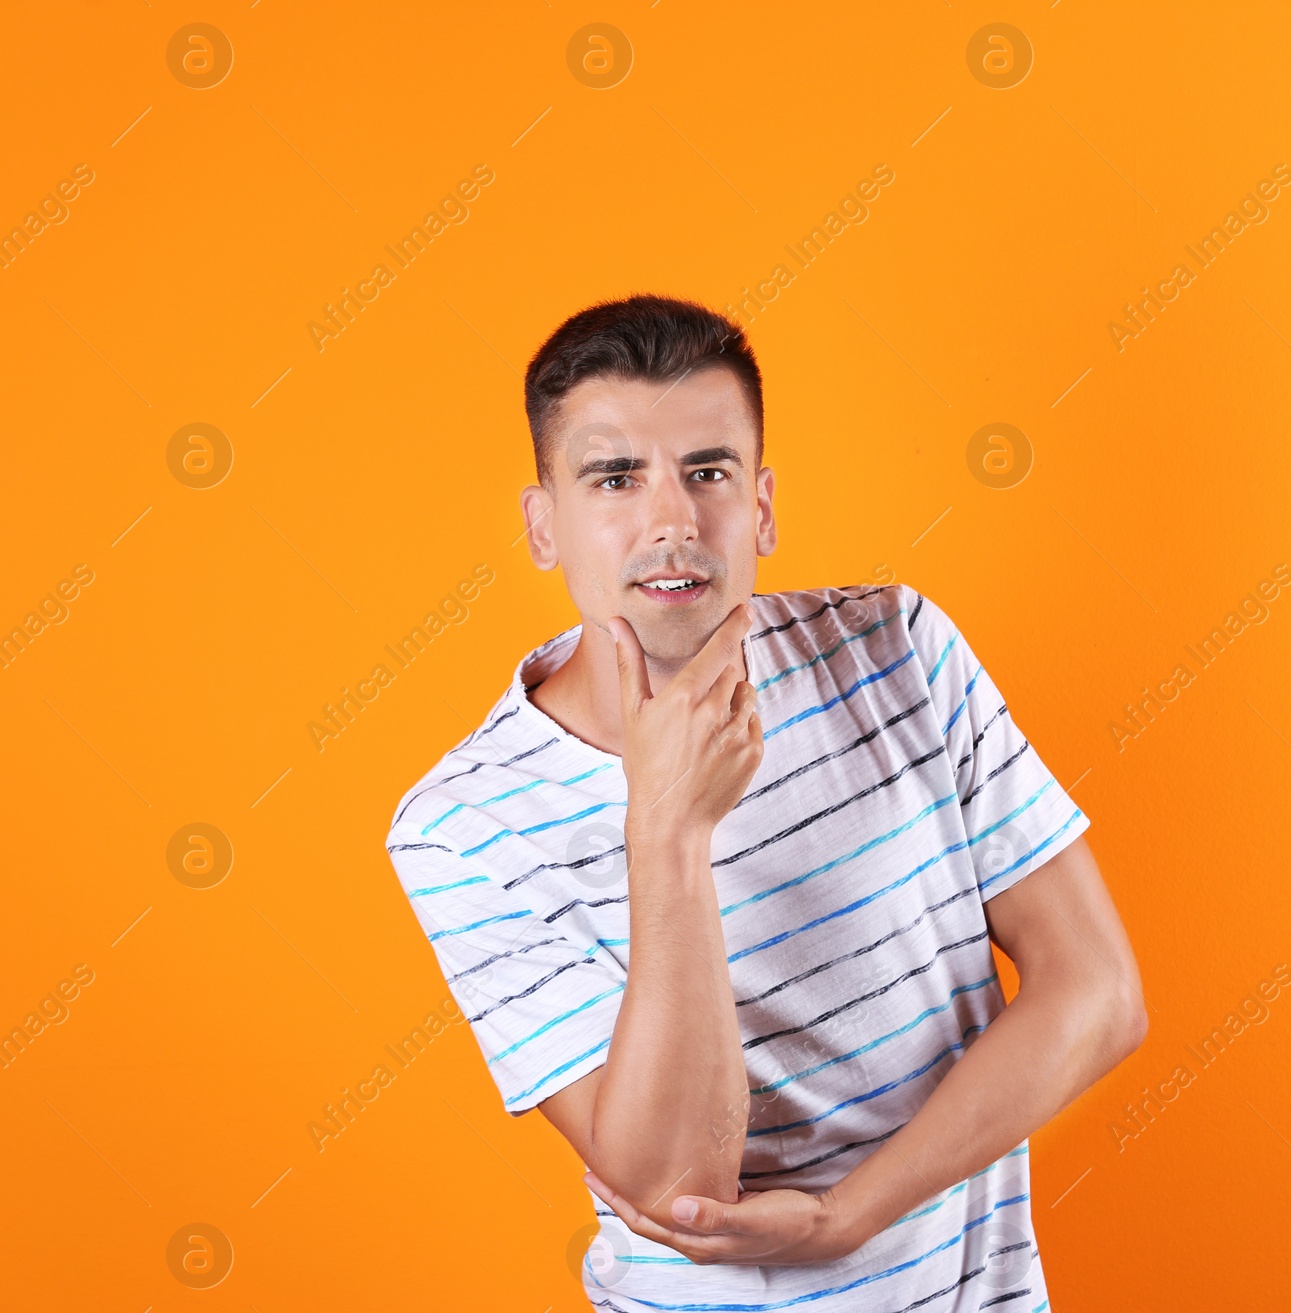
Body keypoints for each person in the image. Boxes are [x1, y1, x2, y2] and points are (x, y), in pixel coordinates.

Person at [386, 294, 1147, 1311]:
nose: (670, 520)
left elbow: (1098, 994)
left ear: (763, 507)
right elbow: (675, 1187)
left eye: (709, 471)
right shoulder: (459, 827)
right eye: (615, 477)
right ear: (542, 524)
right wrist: (667, 831)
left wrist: (852, 1212)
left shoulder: (898, 648)